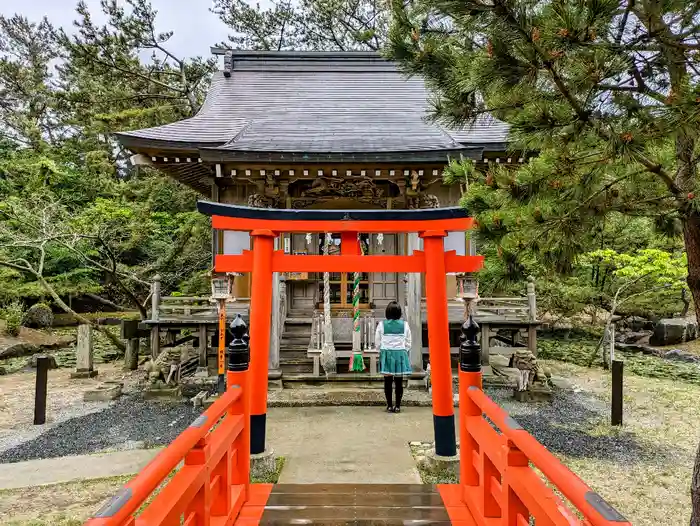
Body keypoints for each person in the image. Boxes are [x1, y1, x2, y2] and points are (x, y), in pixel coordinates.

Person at [375, 301, 412, 413]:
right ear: (399, 313)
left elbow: (377, 341)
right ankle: (398, 406)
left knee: (388, 381)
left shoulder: (382, 324)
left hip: (387, 353)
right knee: (399, 382)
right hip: (400, 354)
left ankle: (389, 405)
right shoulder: (405, 325)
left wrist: (380, 351)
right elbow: (408, 341)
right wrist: (403, 350)